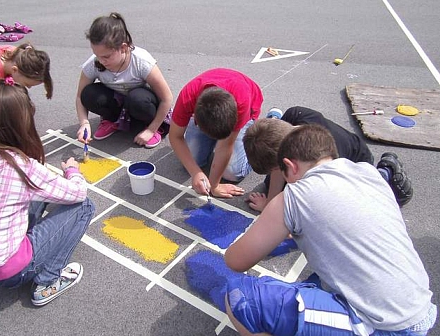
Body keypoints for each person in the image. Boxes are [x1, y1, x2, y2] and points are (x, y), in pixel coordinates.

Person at [224, 124, 436, 336]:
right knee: (317, 283)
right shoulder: (368, 172)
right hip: (419, 308)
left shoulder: (296, 196)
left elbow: (235, 260)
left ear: (291, 166)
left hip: (386, 327)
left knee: (238, 296)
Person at [0, 78, 94, 306]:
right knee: (84, 207)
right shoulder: (19, 166)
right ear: (20, 122)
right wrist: (73, 171)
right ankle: (47, 281)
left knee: (36, 197)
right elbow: (78, 193)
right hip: (9, 271)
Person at [243, 106, 413, 211]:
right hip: (311, 154)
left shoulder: (326, 162)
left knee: (350, 205)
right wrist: (271, 204)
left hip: (356, 162)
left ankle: (384, 173)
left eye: (277, 168)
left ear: (288, 162)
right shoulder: (294, 116)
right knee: (274, 190)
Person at [76, 12, 173, 149]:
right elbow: (80, 96)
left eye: (106, 56)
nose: (101, 61)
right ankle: (114, 120)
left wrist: (151, 129)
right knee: (89, 93)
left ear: (123, 47)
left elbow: (167, 98)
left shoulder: (142, 62)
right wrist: (84, 123)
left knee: (137, 99)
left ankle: (154, 127)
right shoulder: (94, 63)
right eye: (97, 55)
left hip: (143, 104)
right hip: (120, 102)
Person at [169, 68, 263, 199]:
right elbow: (175, 136)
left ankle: (269, 122)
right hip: (208, 108)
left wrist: (214, 185)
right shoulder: (187, 97)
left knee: (233, 174)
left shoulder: (241, 102)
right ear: (195, 117)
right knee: (192, 162)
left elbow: (225, 146)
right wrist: (195, 172)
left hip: (247, 105)